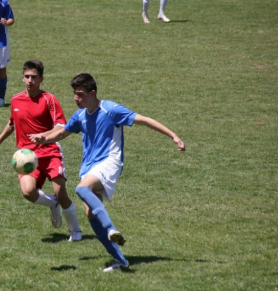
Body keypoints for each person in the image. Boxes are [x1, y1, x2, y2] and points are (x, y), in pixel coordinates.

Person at [29, 73, 185, 272]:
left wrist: (174, 136)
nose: (75, 98)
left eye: (80, 94)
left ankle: (111, 227)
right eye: (74, 94)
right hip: (89, 167)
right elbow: (62, 132)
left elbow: (144, 120)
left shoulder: (111, 110)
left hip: (110, 162)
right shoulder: (80, 115)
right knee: (90, 214)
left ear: (92, 93)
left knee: (81, 189)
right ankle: (120, 260)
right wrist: (44, 138)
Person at [0, 60, 82, 241]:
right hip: (27, 157)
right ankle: (52, 203)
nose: (30, 80)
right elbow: (11, 124)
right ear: (22, 78)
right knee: (28, 192)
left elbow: (62, 125)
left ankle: (75, 232)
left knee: (62, 193)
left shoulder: (49, 99)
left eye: (34, 77)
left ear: (41, 79)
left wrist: (44, 136)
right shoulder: (15, 99)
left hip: (50, 151)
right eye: (27, 77)